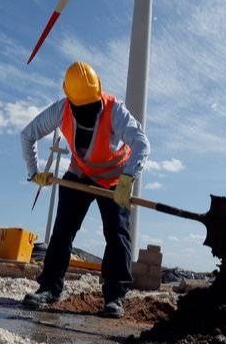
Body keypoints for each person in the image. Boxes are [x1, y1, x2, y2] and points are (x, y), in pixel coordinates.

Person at [20, 61, 150, 318]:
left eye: (91, 106)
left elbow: (141, 143)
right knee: (63, 230)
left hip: (114, 177)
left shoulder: (115, 110)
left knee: (117, 234)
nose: (87, 112)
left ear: (98, 94)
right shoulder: (61, 109)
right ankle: (49, 288)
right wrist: (34, 172)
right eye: (81, 108)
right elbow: (28, 134)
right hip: (80, 173)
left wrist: (127, 178)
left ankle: (115, 297)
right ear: (70, 99)